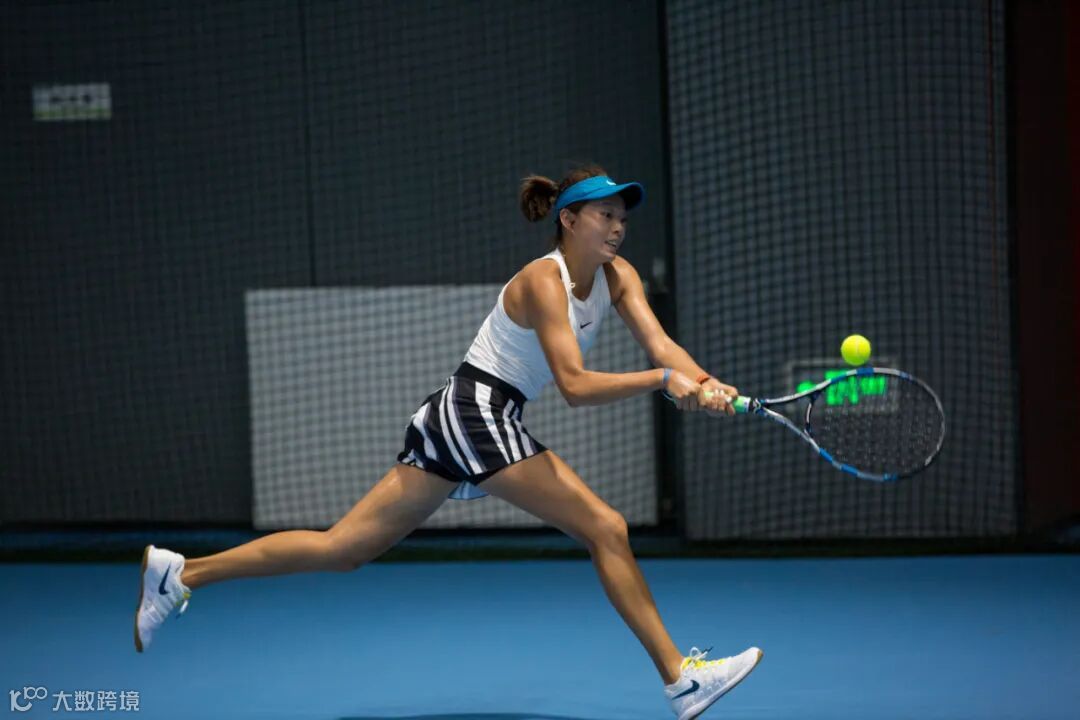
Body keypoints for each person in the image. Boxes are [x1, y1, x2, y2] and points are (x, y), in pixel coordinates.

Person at [134, 165, 763, 719]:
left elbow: (662, 345)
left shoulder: (618, 276)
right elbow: (575, 385)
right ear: (569, 220)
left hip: (458, 417)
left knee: (343, 548)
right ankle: (681, 680)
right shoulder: (542, 281)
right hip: (474, 409)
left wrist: (708, 384)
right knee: (607, 527)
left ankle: (182, 573)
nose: (618, 227)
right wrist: (663, 382)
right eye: (605, 215)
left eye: (622, 217)